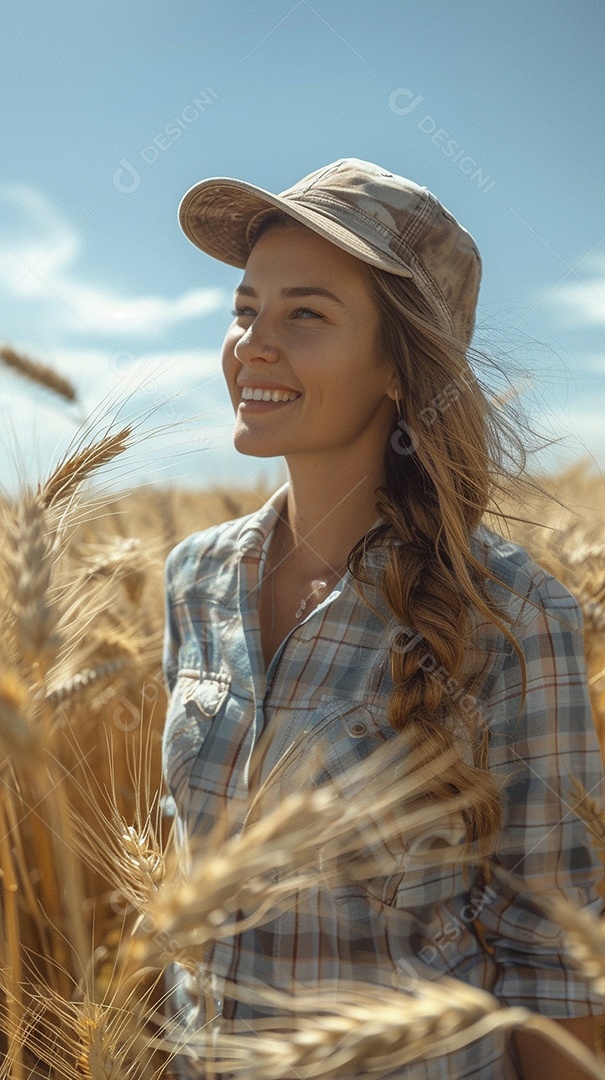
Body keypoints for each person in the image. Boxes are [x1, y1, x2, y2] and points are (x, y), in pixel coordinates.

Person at [162, 158, 605, 1078]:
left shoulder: (513, 614)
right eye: (245, 309)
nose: (251, 345)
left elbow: (556, 963)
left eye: (305, 315)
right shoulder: (193, 578)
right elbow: (179, 868)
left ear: (400, 368)